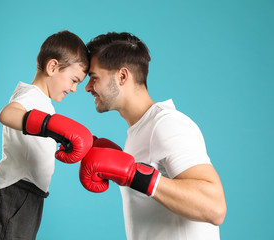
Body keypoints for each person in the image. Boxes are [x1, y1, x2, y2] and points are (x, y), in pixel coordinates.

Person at [79, 32, 227, 240]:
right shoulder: (139, 132)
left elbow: (215, 207)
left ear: (122, 76)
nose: (87, 87)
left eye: (94, 77)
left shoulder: (166, 124)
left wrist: (135, 174)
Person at [0, 30, 93, 240]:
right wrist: (49, 125)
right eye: (73, 80)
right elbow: (7, 114)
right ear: (53, 67)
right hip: (14, 191)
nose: (75, 88)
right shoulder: (31, 95)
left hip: (30, 193)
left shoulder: (44, 103)